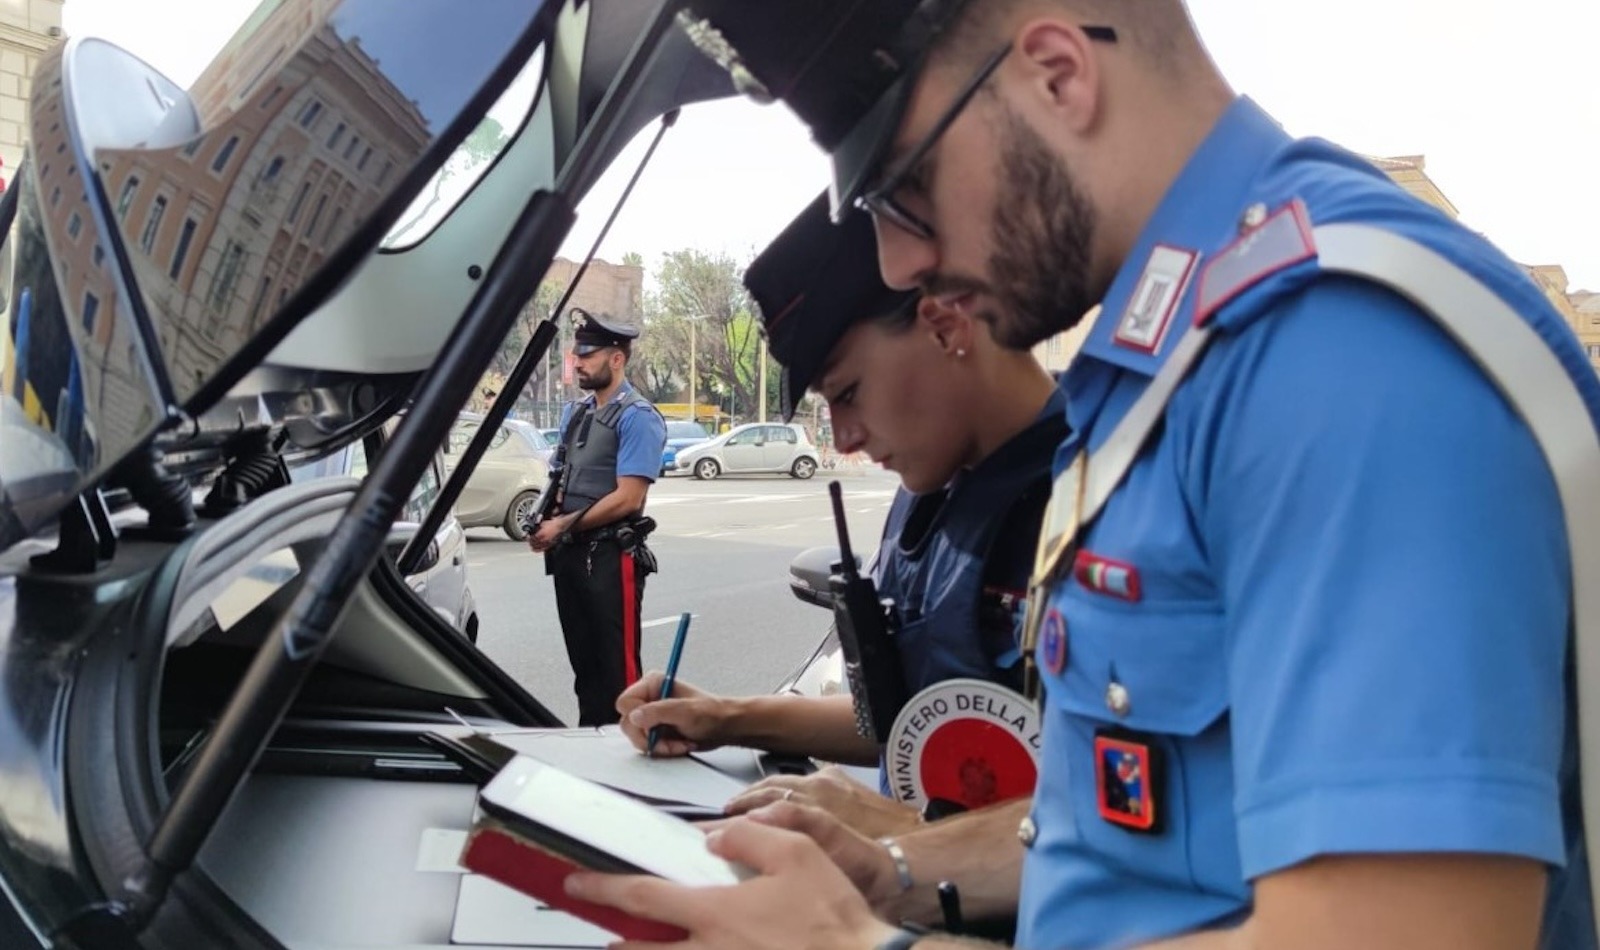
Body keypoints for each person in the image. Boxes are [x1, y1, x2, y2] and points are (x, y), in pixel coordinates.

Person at [566, 1, 1600, 947]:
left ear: (1058, 73)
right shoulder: (1164, 362)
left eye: (902, 188)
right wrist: (887, 872)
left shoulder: (1335, 350)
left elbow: (1400, 930)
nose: (895, 264)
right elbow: (1119, 833)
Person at [616, 192, 1065, 843]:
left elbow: (1135, 824)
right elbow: (900, 717)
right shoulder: (933, 482)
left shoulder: (1109, 496)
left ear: (947, 325)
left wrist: (908, 836)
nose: (845, 439)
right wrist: (722, 715)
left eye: (848, 393)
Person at [530, 308, 667, 727]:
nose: (579, 363)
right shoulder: (576, 413)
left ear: (617, 358)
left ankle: (631, 757)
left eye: (588, 356)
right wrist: (545, 519)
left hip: (611, 558)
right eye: (577, 355)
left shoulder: (638, 417)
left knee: (618, 676)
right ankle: (594, 750)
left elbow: (628, 497)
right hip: (571, 557)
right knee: (585, 672)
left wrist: (563, 525)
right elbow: (562, 476)